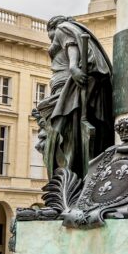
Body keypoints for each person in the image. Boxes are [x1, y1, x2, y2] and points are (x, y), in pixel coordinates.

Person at [34, 15, 113, 180]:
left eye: (50, 34)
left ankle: (69, 175)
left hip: (67, 86)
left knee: (62, 130)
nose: (50, 39)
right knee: (65, 131)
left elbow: (71, 44)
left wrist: (73, 67)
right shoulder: (71, 29)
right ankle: (71, 172)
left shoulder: (63, 27)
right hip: (62, 86)